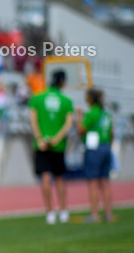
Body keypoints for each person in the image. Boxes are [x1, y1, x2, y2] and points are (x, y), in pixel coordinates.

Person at [28, 70, 74, 224]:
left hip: (41, 145)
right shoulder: (66, 101)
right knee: (60, 178)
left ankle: (49, 212)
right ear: (62, 81)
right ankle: (63, 210)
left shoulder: (37, 98)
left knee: (45, 177)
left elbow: (33, 120)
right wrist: (56, 139)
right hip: (58, 146)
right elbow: (68, 123)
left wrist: (40, 139)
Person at [79, 88, 114, 223]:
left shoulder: (92, 113)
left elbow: (81, 130)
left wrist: (79, 115)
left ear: (91, 99)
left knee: (93, 182)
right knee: (105, 181)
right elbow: (112, 133)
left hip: (94, 149)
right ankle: (108, 212)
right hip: (106, 146)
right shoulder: (106, 114)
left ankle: (94, 214)